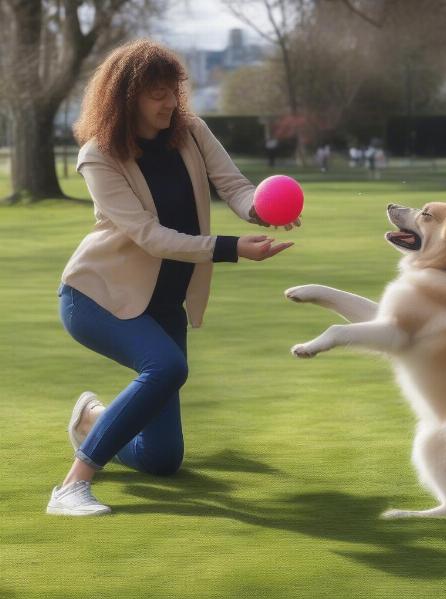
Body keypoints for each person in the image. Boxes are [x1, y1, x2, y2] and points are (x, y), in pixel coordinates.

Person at [46, 39, 299, 516]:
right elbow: (150, 236)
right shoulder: (98, 155)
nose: (170, 102)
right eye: (156, 93)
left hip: (164, 303)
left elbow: (234, 186)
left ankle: (91, 420)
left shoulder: (191, 131)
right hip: (97, 297)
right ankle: (72, 487)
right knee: (166, 367)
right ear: (126, 97)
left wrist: (262, 210)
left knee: (163, 460)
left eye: (173, 91)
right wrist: (230, 249)